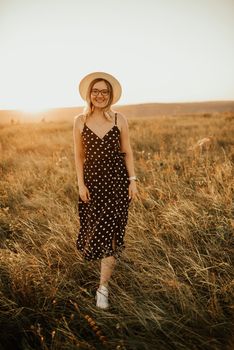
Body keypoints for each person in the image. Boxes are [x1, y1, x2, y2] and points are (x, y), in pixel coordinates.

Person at [73, 72, 137, 309]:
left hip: (117, 185)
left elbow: (127, 151)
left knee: (110, 235)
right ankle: (105, 271)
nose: (100, 95)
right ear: (89, 94)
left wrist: (133, 179)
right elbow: (79, 156)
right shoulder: (79, 121)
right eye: (96, 91)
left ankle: (103, 288)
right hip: (92, 186)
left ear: (110, 96)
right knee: (95, 230)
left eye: (104, 92)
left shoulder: (120, 119)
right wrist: (80, 184)